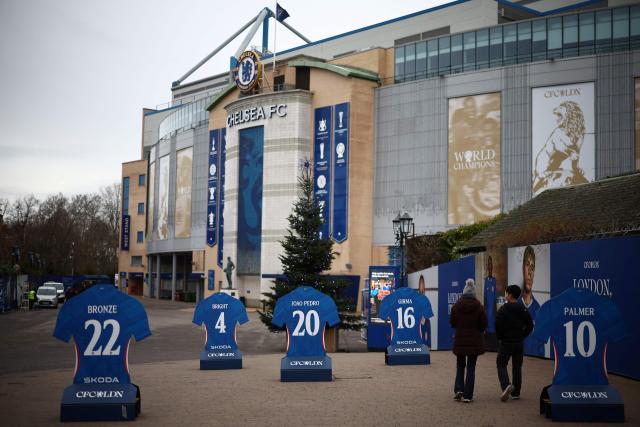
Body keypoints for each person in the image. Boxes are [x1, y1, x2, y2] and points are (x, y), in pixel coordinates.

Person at [450, 278, 488, 403]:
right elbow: (484, 325)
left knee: (460, 365)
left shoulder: (456, 306)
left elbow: (453, 323)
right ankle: (468, 395)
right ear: (474, 293)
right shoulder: (479, 307)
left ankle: (459, 389)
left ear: (464, 292)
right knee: (471, 367)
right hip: (475, 342)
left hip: (460, 341)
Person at [495, 285, 533, 402]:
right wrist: (522, 335)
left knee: (501, 364)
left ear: (510, 295)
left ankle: (506, 385)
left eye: (506, 293)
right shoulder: (523, 308)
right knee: (517, 367)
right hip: (518, 342)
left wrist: (500, 338)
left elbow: (498, 326)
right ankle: (516, 392)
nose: (506, 295)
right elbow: (530, 325)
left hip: (506, 342)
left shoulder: (503, 309)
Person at [518, 246, 542, 356]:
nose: (529, 272)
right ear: (523, 268)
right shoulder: (515, 305)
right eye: (527, 265)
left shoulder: (539, 309)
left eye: (532, 267)